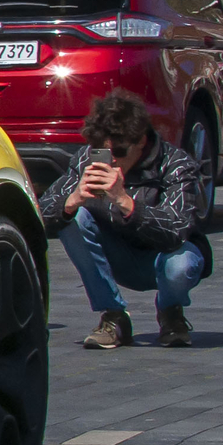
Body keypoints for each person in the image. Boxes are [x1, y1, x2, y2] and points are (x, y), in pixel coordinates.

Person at [38, 90, 210, 348]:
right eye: (104, 151)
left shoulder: (176, 164)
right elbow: (39, 217)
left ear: (141, 141)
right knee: (75, 218)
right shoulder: (87, 161)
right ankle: (113, 316)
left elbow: (177, 230)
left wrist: (125, 202)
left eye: (118, 151)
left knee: (182, 263)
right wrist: (71, 201)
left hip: (164, 257)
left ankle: (170, 313)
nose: (112, 159)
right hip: (117, 256)